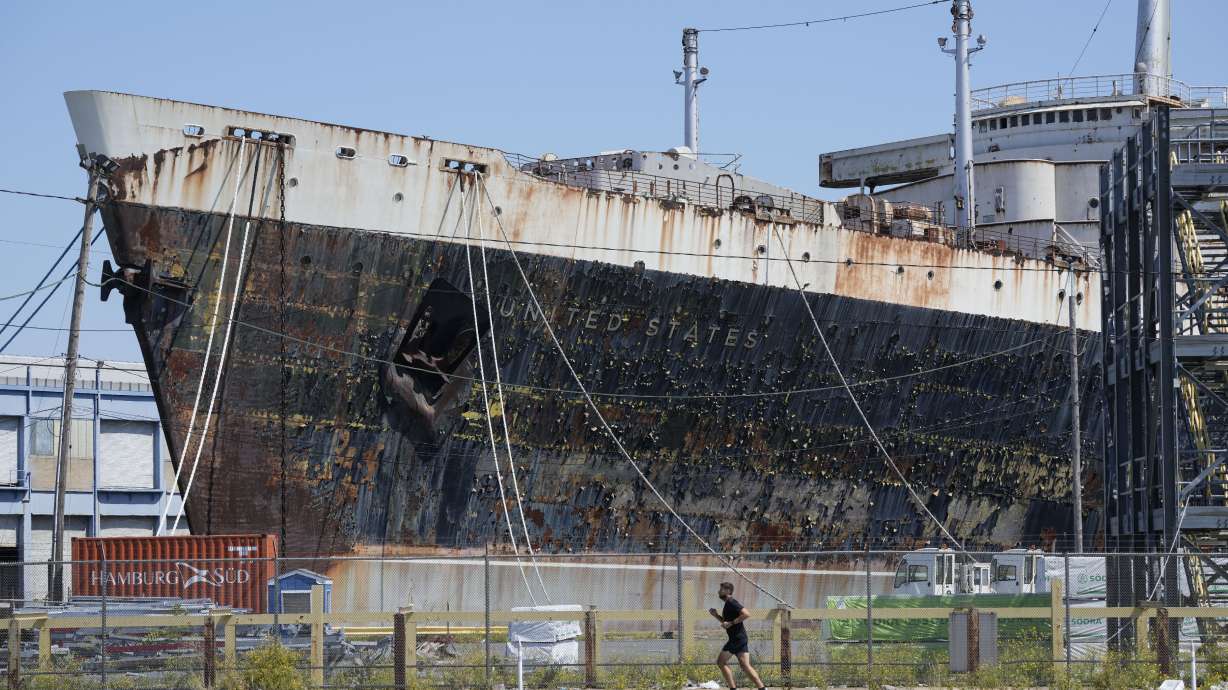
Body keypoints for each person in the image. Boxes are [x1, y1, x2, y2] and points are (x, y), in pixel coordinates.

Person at [708, 581, 766, 690]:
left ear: (728, 591)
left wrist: (731, 623)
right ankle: (762, 688)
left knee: (721, 662)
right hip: (739, 638)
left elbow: (746, 614)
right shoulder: (728, 604)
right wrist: (716, 615)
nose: (718, 591)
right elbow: (726, 622)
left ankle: (733, 688)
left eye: (721, 590)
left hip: (736, 639)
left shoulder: (731, 602)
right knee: (745, 666)